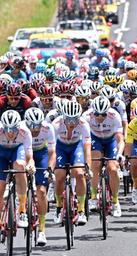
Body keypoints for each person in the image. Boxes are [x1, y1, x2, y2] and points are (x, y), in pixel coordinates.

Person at [83, 96, 125, 217]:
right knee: (95, 164)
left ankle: (115, 201)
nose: (100, 117)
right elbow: (82, 139)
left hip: (110, 140)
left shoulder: (114, 116)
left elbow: (120, 139)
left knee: (112, 168)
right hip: (95, 139)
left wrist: (119, 154)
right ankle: (94, 196)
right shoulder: (86, 116)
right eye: (97, 114)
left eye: (103, 114)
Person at [52, 101, 91, 225]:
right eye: (68, 119)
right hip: (60, 148)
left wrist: (88, 167)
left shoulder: (84, 124)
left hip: (76, 147)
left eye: (74, 119)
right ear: (63, 117)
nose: (71, 122)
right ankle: (58, 207)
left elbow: (87, 148)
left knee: (79, 173)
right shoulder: (56, 125)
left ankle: (81, 210)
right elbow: (51, 149)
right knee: (59, 176)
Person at [24, 107, 56, 246]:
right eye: (32, 126)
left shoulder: (48, 128)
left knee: (41, 191)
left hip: (41, 153)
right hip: (24, 152)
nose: (35, 129)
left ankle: (42, 230)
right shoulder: (21, 128)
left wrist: (50, 169)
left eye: (37, 125)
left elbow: (52, 153)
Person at [0, 110, 35, 228]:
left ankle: (22, 210)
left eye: (14, 129)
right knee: (0, 185)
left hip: (17, 150)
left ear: (18, 127)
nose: (10, 133)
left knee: (20, 166)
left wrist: (30, 165)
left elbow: (29, 157)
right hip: (2, 153)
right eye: (7, 129)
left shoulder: (25, 132)